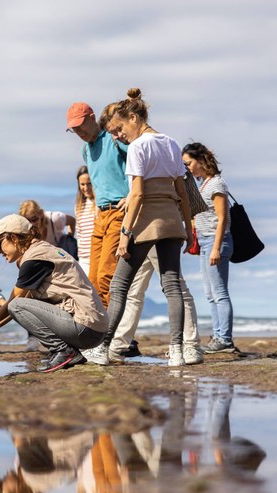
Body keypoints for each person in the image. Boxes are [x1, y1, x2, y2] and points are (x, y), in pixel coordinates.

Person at [86, 88, 195, 367]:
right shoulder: (171, 143)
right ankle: (178, 351)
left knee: (121, 285)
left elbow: (135, 195)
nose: (117, 136)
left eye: (119, 129)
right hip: (171, 218)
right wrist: (187, 225)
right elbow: (182, 190)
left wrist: (125, 234)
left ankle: (104, 347)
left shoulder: (138, 146)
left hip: (145, 220)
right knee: (171, 286)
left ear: (133, 118)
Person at [0, 214, 108, 373]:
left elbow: (13, 305)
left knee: (16, 305)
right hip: (93, 329)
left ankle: (63, 351)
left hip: (86, 328)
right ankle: (62, 351)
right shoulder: (41, 251)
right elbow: (15, 310)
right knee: (17, 305)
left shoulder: (35, 259)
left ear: (13, 238)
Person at [66, 102, 130, 308]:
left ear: (92, 118)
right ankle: (99, 331)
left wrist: (132, 195)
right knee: (92, 280)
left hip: (118, 212)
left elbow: (140, 163)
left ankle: (109, 333)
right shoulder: (86, 150)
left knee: (106, 276)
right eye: (74, 129)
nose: (79, 132)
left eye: (81, 126)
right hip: (99, 216)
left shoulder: (114, 139)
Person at [182, 143, 236, 353]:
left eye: (189, 163)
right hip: (205, 240)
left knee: (220, 293)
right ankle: (218, 335)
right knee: (210, 293)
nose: (188, 168)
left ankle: (224, 338)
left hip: (217, 241)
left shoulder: (217, 184)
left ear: (202, 160)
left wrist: (215, 248)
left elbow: (223, 219)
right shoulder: (203, 184)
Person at [18, 200, 76, 352]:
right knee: (31, 295)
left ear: (40, 214)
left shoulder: (54, 219)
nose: (32, 223)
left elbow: (72, 221)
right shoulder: (25, 230)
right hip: (40, 263)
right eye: (28, 220)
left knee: (58, 297)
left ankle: (64, 334)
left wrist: (69, 237)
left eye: (34, 219)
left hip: (57, 260)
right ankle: (32, 337)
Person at [74, 165, 95, 274]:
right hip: (83, 257)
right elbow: (79, 233)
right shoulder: (79, 206)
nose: (86, 188)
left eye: (89, 184)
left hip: (97, 254)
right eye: (82, 184)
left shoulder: (100, 204)